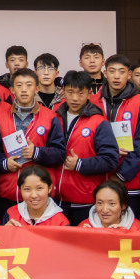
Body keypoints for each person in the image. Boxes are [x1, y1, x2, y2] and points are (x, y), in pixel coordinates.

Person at [0, 68, 66, 216]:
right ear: (12, 89)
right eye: (19, 85)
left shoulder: (50, 117)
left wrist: (37, 152)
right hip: (9, 191)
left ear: (37, 88)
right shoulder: (0, 117)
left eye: (29, 85)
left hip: (39, 194)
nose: (24, 89)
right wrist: (4, 163)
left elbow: (60, 153)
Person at [55, 70, 120, 225]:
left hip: (85, 201)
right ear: (63, 92)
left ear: (89, 93)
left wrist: (80, 164)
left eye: (80, 93)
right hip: (55, 200)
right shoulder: (54, 117)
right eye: (70, 92)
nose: (75, 98)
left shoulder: (99, 122)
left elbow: (111, 160)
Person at [90, 54, 140, 215]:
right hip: (97, 179)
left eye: (121, 71)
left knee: (128, 227)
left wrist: (121, 175)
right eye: (112, 71)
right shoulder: (92, 101)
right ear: (105, 73)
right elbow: (86, 139)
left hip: (128, 182)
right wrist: (108, 152)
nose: (116, 76)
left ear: (129, 74)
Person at [5, 164, 70, 227]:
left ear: (50, 188)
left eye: (39, 188)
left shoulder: (61, 222)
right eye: (27, 189)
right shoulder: (11, 214)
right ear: (20, 190)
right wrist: (4, 231)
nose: (34, 195)